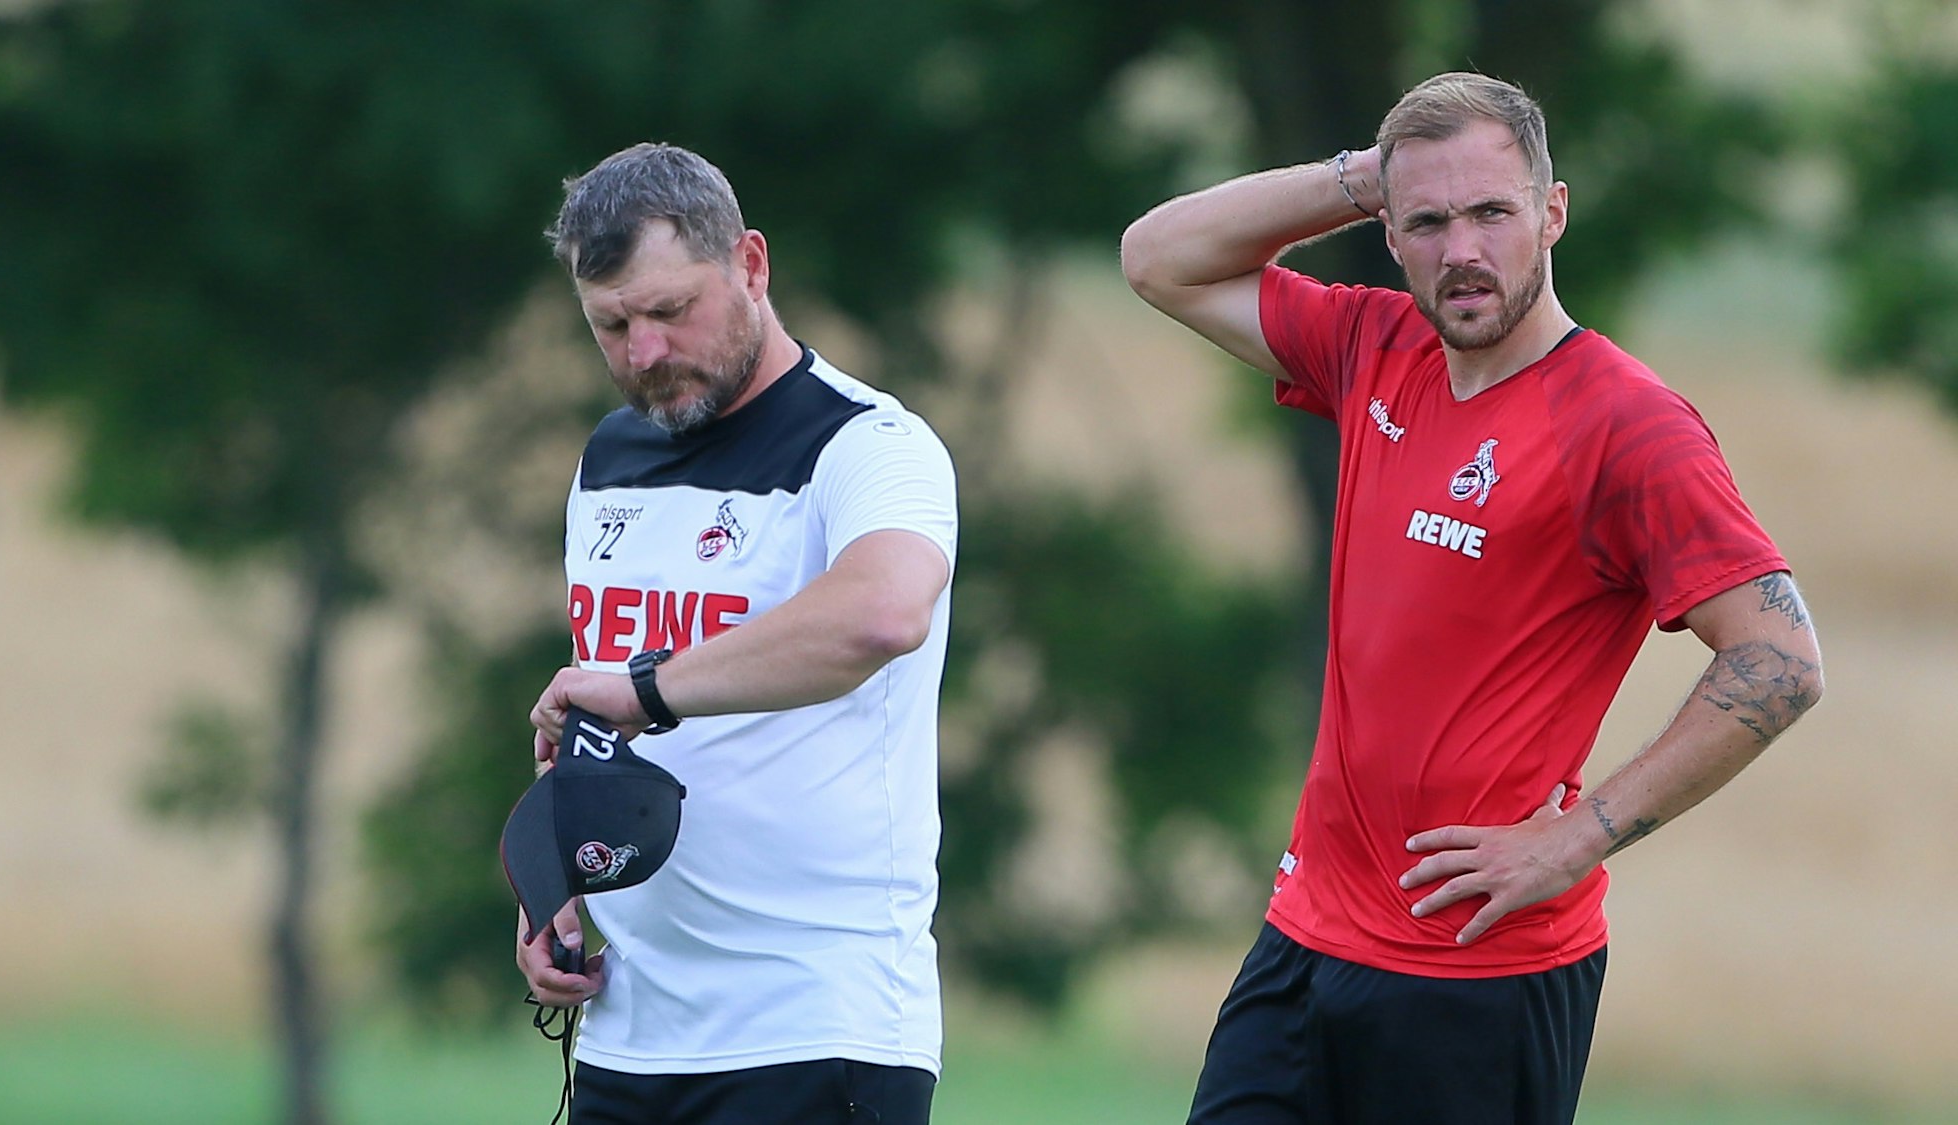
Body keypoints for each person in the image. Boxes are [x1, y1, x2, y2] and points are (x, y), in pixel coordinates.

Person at [1120, 72, 1825, 1124]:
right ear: (1390, 236)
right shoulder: (1372, 347)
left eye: (1491, 212)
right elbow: (1157, 259)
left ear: (1550, 213)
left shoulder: (1628, 427)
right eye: (1428, 221)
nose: (1461, 249)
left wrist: (1577, 837)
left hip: (1478, 972)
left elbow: (1778, 659)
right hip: (1304, 937)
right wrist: (1367, 174)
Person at [516, 142, 957, 1125]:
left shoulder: (868, 446)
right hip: (628, 1034)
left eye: (670, 311)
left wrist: (641, 686)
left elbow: (882, 613)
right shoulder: (609, 458)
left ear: (750, 265)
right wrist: (549, 872)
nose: (643, 352)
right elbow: (596, 713)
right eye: (611, 325)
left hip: (813, 1030)